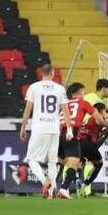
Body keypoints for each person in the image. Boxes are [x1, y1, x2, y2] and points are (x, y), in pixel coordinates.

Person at [19, 63, 68, 199]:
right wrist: (69, 128)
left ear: (41, 73)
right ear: (52, 73)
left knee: (31, 159)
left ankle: (44, 181)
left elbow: (28, 109)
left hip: (39, 128)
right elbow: (65, 110)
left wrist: (23, 127)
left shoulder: (34, 87)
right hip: (54, 129)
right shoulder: (60, 88)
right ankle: (51, 193)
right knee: (52, 161)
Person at [77, 101, 108, 197]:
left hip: (77, 143)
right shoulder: (97, 118)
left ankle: (72, 184)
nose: (106, 114)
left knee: (80, 163)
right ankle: (84, 184)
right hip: (87, 143)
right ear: (99, 111)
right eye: (105, 111)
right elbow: (104, 126)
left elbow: (98, 140)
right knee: (99, 163)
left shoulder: (89, 120)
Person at [59, 82, 96, 197]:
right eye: (83, 92)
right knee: (74, 164)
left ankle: (49, 187)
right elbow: (98, 118)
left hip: (57, 133)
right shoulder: (83, 103)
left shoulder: (63, 104)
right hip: (72, 132)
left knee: (59, 162)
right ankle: (64, 188)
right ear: (79, 92)